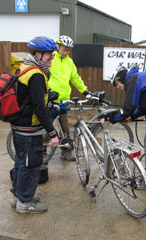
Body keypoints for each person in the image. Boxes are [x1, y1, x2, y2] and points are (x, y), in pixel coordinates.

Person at [10, 36, 59, 214]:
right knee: (31, 165)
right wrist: (52, 133)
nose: (52, 57)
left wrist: (48, 105)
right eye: (49, 54)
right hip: (28, 128)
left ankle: (17, 196)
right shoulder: (37, 74)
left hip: (18, 125)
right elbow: (38, 108)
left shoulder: (24, 67)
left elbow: (30, 99)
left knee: (21, 162)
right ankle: (25, 202)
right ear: (38, 54)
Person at [48, 35, 90, 161]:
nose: (66, 52)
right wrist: (47, 91)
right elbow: (43, 75)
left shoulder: (69, 62)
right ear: (58, 47)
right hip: (50, 100)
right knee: (46, 128)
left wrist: (85, 90)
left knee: (65, 130)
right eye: (64, 49)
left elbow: (75, 78)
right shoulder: (51, 58)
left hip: (63, 101)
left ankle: (65, 152)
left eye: (68, 50)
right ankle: (42, 153)